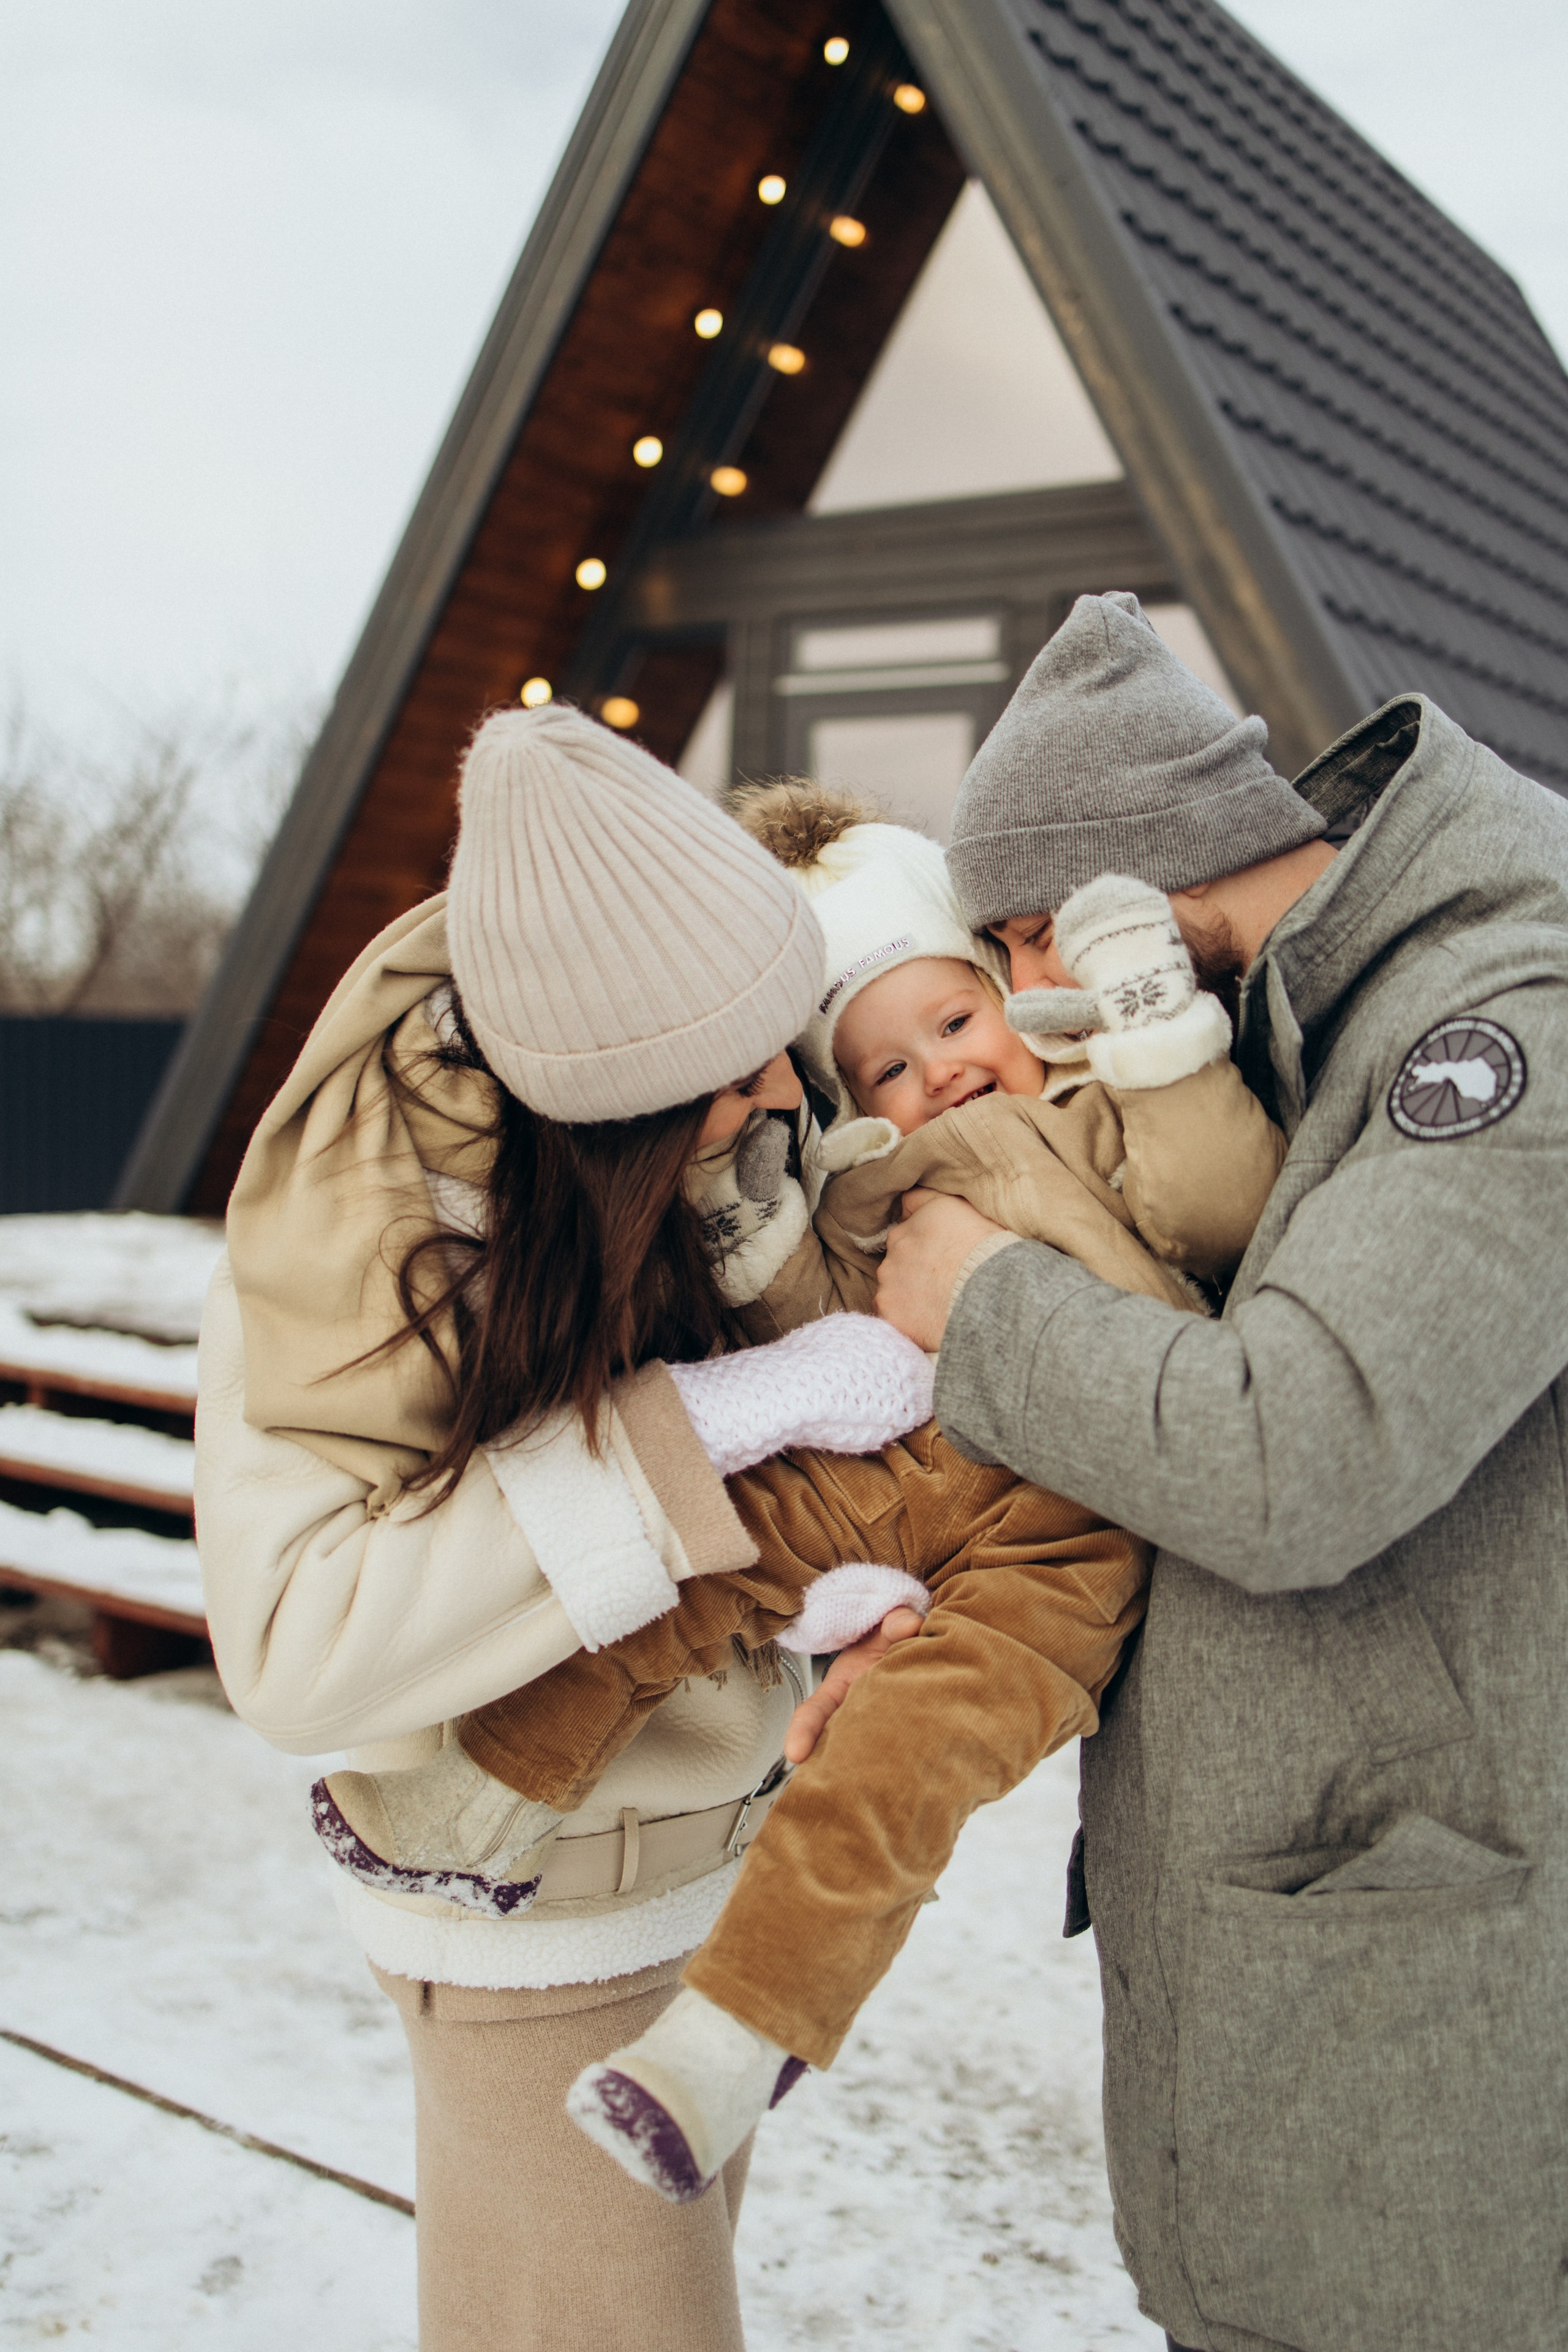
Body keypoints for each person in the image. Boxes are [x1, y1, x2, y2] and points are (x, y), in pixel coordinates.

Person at [298, 774, 1161, 2204]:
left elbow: (1212, 1204)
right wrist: (765, 1228)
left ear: (1014, 992)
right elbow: (810, 1311)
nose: (936, 1072)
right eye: (883, 1066)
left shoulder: (1117, 1113)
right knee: (689, 1570)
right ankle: (477, 1800)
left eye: (954, 1022)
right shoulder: (867, 1177)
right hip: (895, 1475)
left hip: (1065, 1549)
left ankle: (728, 2042)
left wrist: (1165, 1038)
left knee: (899, 1770)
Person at [195, 703, 944, 2352]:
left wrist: (822, 1576)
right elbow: (296, 1647)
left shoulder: (686, 1092)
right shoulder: (362, 1235)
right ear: (593, 1110)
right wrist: (706, 1431)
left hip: (713, 1879)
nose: (774, 1089)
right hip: (533, 1924)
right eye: (730, 1069)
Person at [876, 590, 1568, 2352]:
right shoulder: (1303, 1008)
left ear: (1105, 905)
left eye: (1016, 949)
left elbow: (1295, 1450)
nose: (1023, 1011)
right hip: (1307, 1962)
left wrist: (989, 1308)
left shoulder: (1498, 1020)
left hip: (1412, 2004)